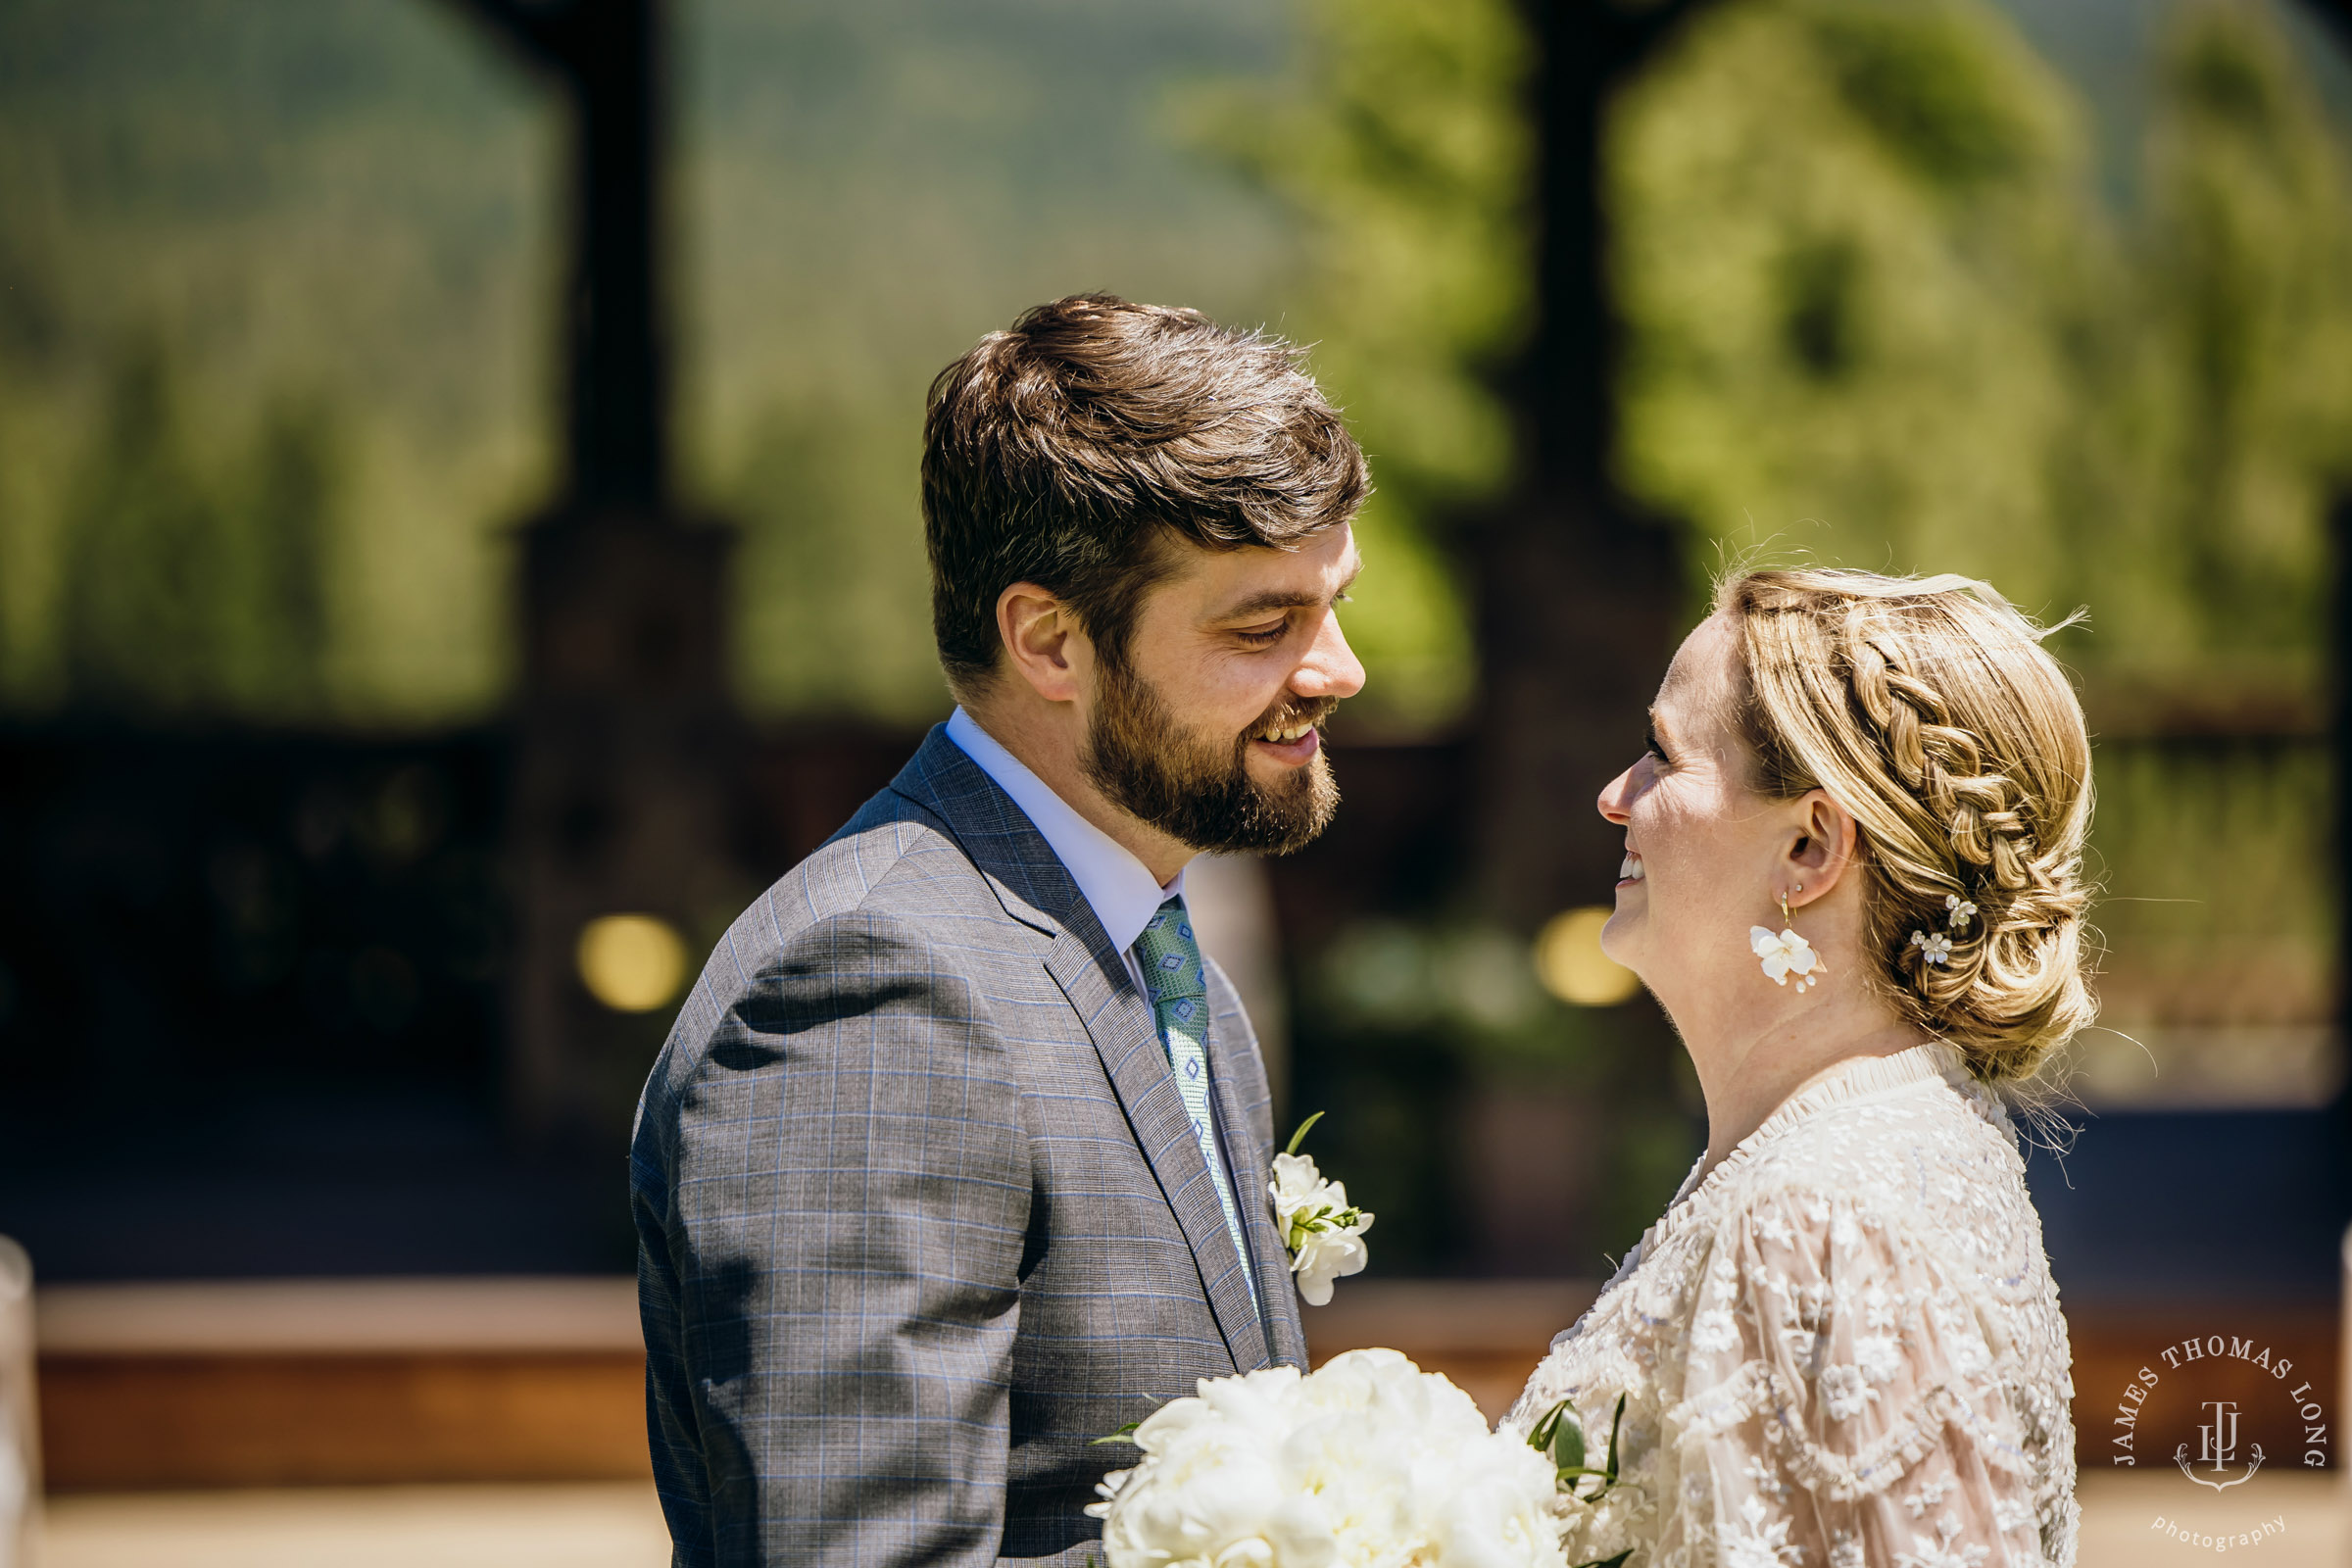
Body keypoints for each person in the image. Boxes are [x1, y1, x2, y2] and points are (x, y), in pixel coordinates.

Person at [630, 294, 1368, 1566]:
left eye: (1333, 602)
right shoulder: (873, 987)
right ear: (1049, 641)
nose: (1339, 667)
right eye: (1265, 626)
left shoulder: (1159, 952)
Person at [1512, 568, 2088, 1568]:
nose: (1614, 797)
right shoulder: (1863, 1149)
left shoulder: (1820, 1220)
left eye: (1661, 754)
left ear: (1810, 845)